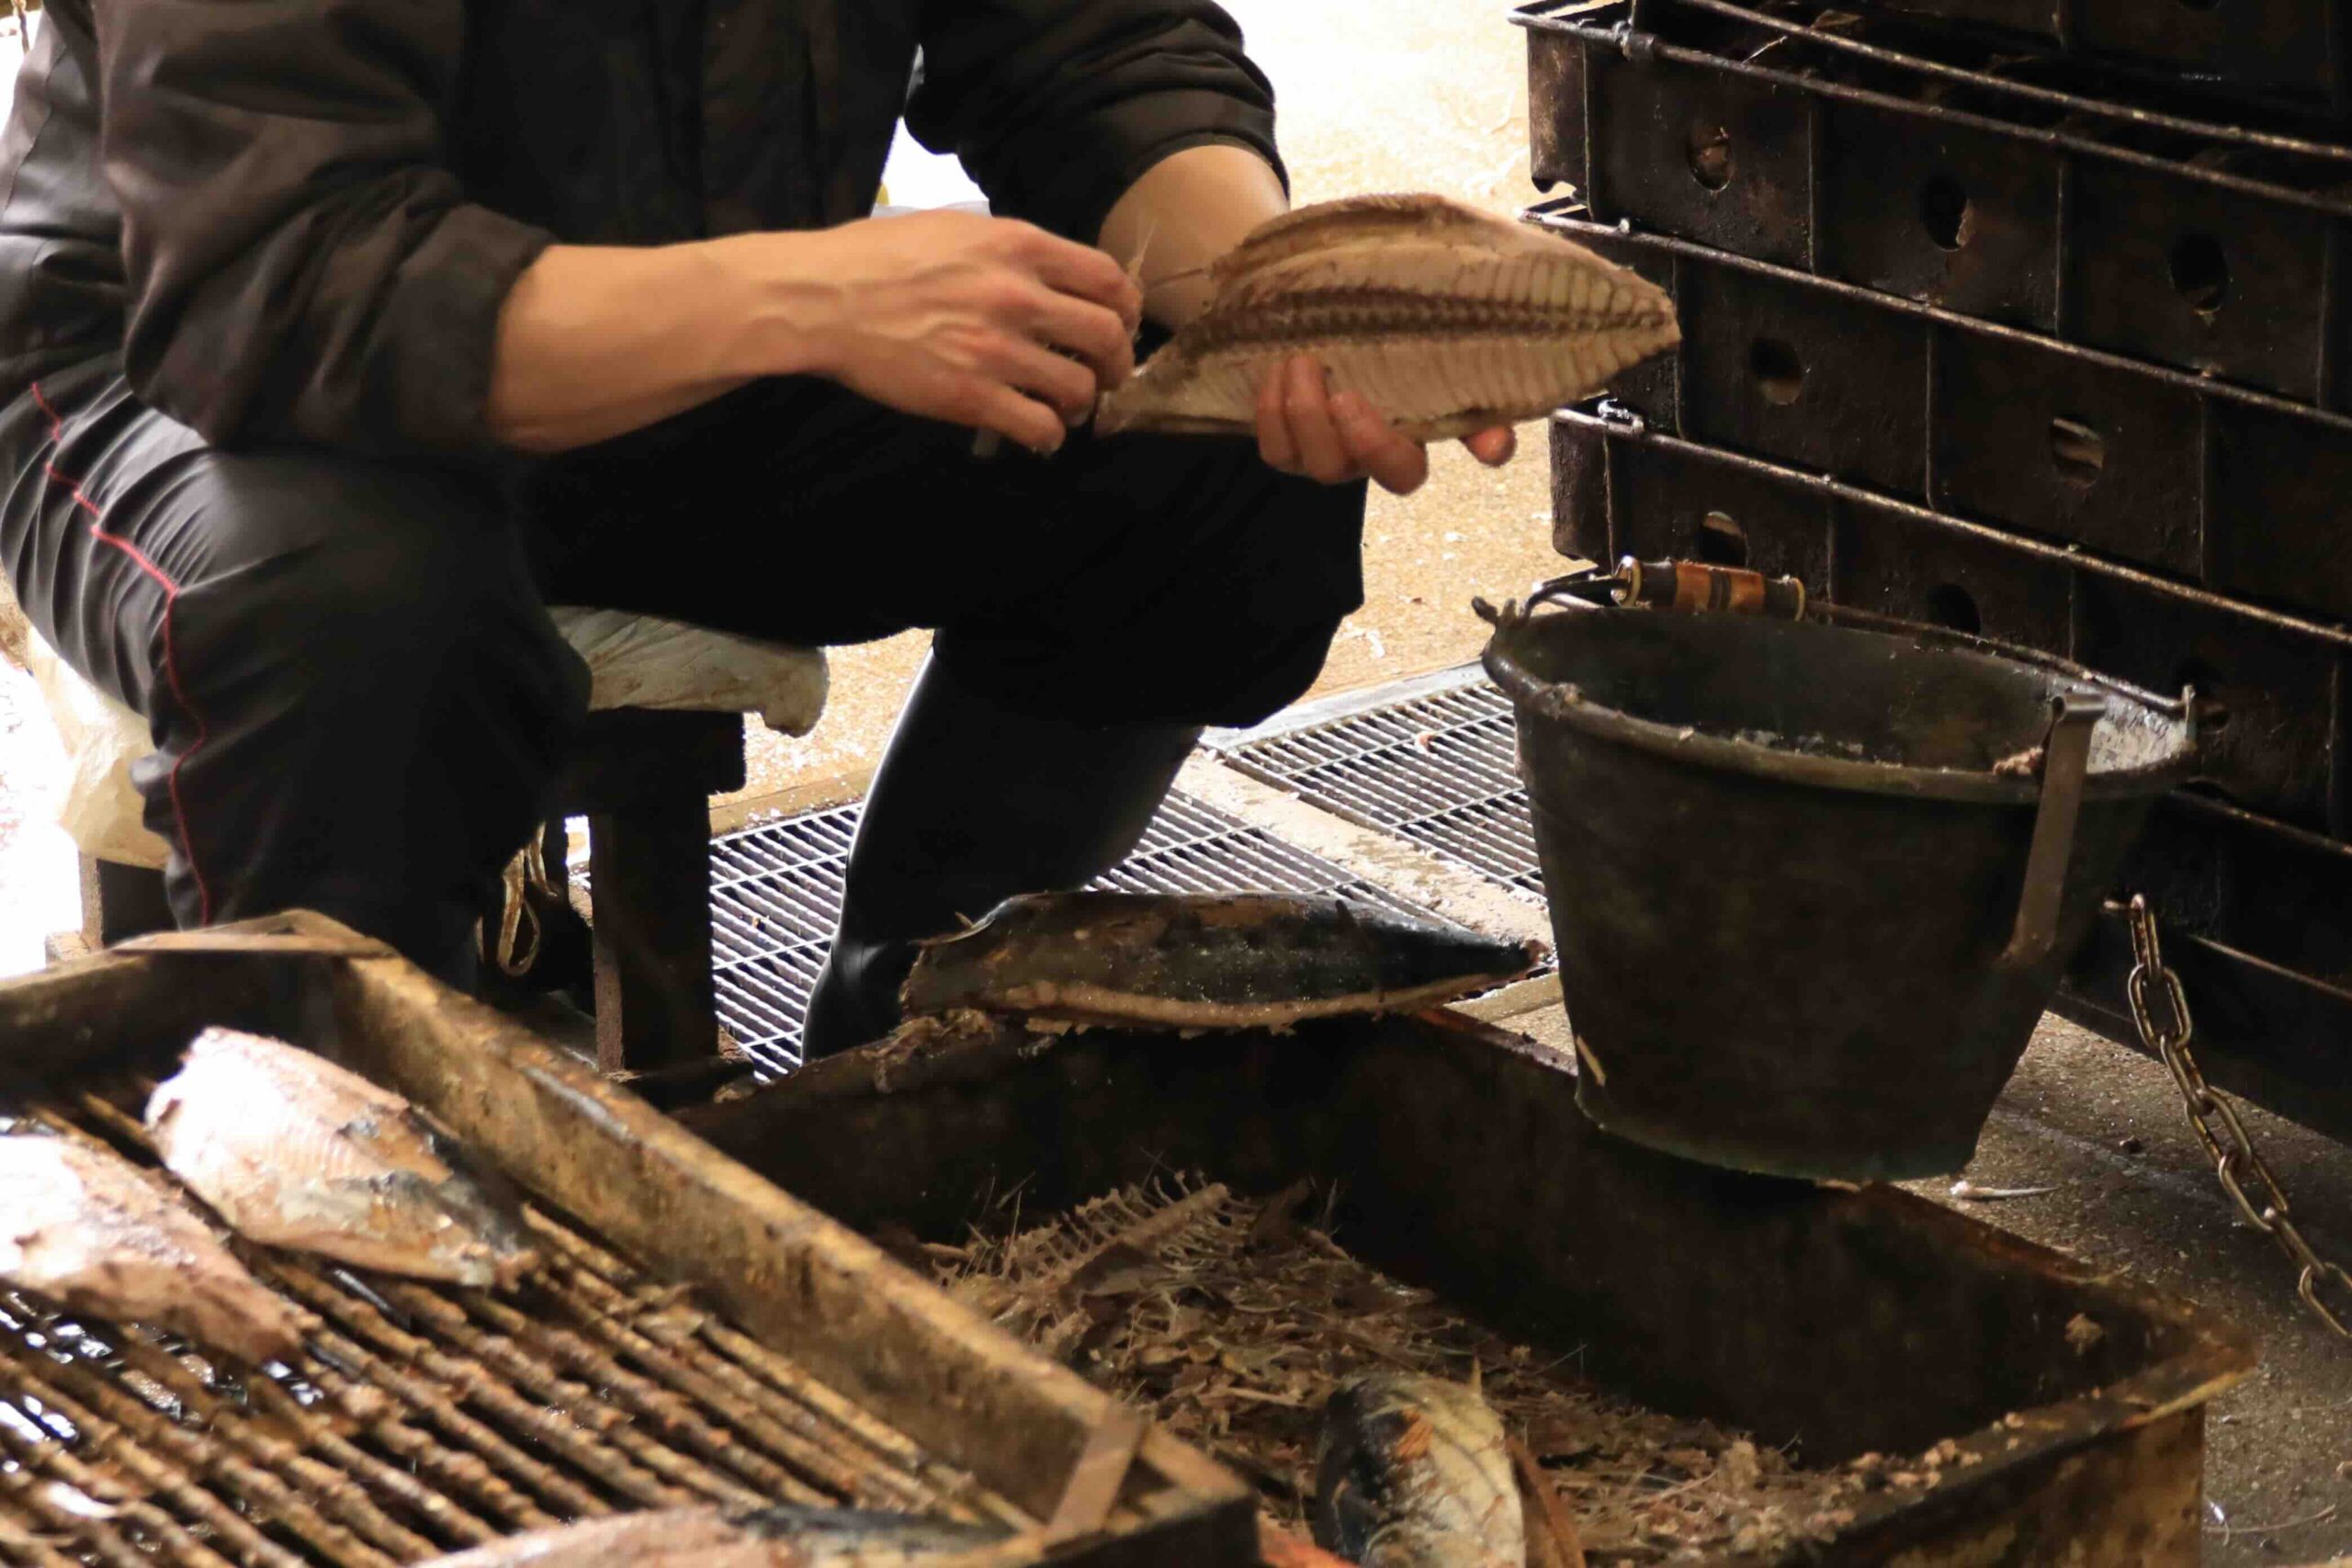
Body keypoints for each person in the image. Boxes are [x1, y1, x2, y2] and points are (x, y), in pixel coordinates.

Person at [0, 0, 1516, 1058]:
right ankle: (335, 1249)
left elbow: (1099, 45)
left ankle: (920, 1039)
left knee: (1216, 463)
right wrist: (812, 295)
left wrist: (1285, 301)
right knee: (360, 616)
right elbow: (279, 278)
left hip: (692, 334)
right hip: (191, 374)